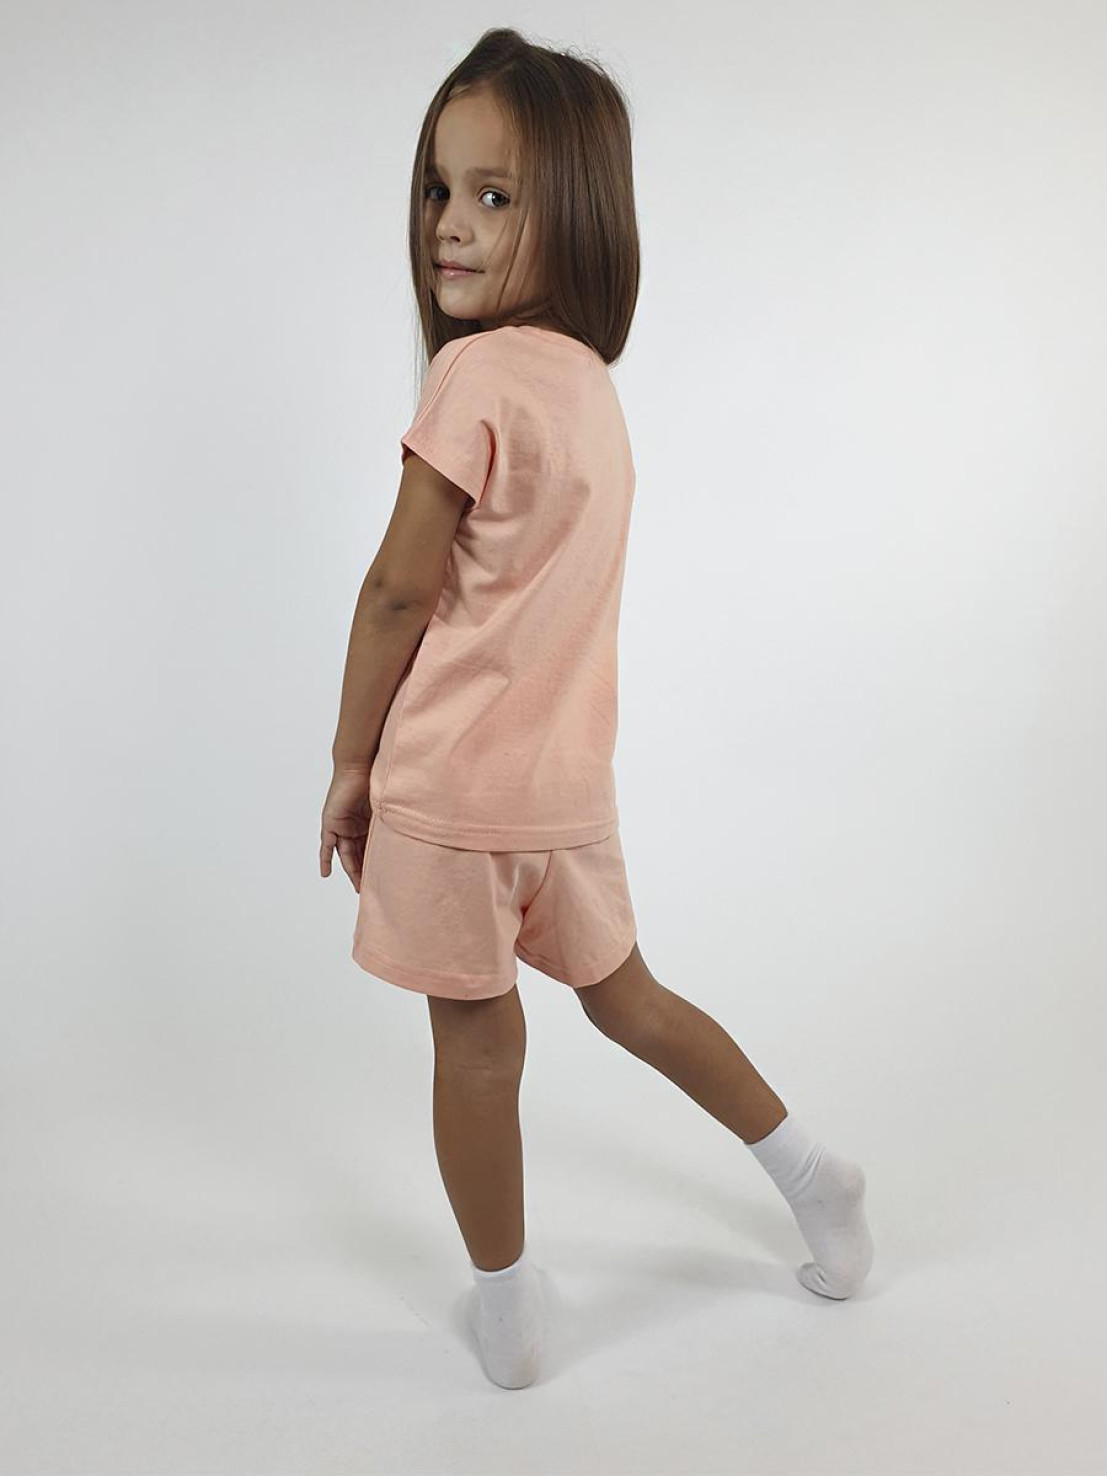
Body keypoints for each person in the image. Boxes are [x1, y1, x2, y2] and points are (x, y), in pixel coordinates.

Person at [319, 27, 873, 1390]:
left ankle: (509, 1318)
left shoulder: (472, 379)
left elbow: (397, 592)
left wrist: (348, 762)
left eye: (493, 195)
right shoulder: (590, 390)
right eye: (438, 189)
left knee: (476, 1048)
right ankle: (813, 1173)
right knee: (633, 1002)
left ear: (574, 211)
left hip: (451, 793)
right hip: (567, 794)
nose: (449, 224)